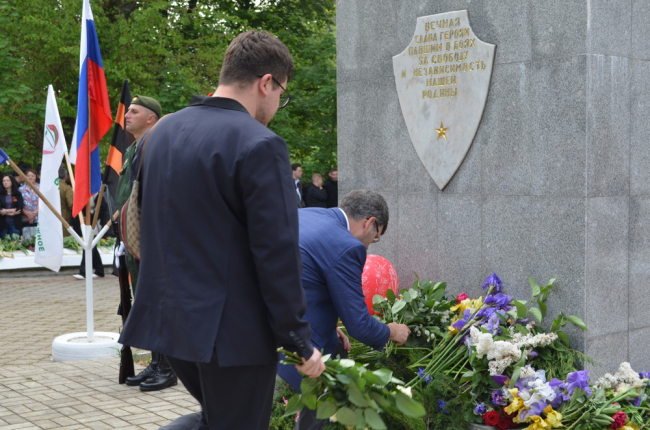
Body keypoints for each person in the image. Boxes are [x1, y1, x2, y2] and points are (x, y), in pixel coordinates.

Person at [119, 30, 325, 430]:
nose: (278, 105)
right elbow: (277, 254)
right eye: (281, 93)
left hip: (170, 325)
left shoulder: (160, 135)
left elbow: (143, 218)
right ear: (266, 82)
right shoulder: (261, 144)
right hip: (233, 336)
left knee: (216, 420)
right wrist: (298, 339)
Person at [277, 190, 411, 430]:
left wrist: (329, 327)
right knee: (327, 384)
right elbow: (359, 326)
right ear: (369, 222)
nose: (368, 246)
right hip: (285, 342)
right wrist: (392, 331)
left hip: (260, 321)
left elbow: (303, 279)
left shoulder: (305, 214)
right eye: (375, 238)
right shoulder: (347, 247)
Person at [113, 95, 176, 392]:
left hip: (151, 237)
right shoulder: (132, 149)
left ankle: (169, 367)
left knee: (159, 303)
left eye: (134, 111)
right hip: (133, 236)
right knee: (144, 302)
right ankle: (156, 361)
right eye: (128, 110)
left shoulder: (159, 146)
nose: (127, 115)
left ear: (151, 118)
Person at [0, 174, 24, 239]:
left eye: (7, 180)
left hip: (15, 223)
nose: (5, 182)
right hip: (3, 223)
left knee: (14, 242)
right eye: (4, 181)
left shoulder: (18, 194)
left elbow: (20, 207)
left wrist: (5, 211)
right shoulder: (0, 194)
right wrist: (12, 211)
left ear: (12, 182)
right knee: (4, 243)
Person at [20, 168, 40, 238]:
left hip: (38, 217)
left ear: (36, 177)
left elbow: (44, 203)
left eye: (32, 176)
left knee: (37, 239)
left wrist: (35, 212)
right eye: (28, 176)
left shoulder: (41, 188)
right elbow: (19, 204)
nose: (30, 177)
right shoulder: (21, 189)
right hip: (25, 218)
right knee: (26, 240)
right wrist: (27, 213)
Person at [58, 168, 73, 237]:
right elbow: (71, 204)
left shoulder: (51, 187)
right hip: (64, 218)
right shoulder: (66, 188)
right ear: (66, 177)